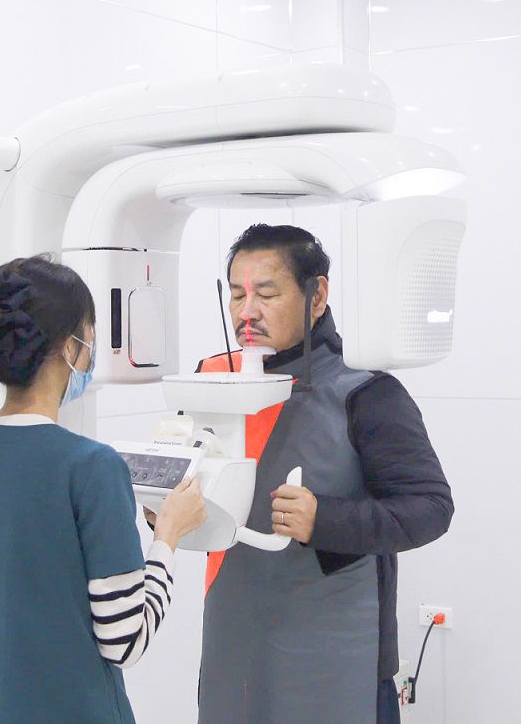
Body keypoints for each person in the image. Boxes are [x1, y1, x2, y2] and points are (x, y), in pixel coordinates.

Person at [196, 224, 454, 724]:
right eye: (237, 295)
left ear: (316, 296)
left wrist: (324, 520)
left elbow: (431, 508)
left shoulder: (366, 391)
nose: (247, 313)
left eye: (266, 294)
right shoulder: (211, 381)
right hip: (233, 643)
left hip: (336, 656)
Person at [0, 254, 206, 724]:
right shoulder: (92, 468)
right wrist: (168, 536)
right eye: (90, 338)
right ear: (70, 348)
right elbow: (125, 640)